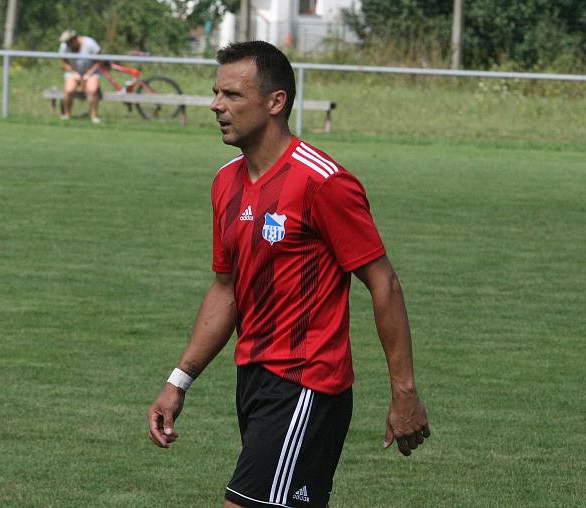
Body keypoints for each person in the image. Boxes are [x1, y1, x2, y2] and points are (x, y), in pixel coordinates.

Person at [146, 41, 430, 508]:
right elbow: (227, 288)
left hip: (307, 384)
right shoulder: (225, 184)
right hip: (254, 380)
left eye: (233, 95)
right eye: (215, 93)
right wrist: (179, 381)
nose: (216, 105)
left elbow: (384, 282)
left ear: (276, 102)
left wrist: (404, 392)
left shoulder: (323, 182)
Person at [58, 29, 103, 124]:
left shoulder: (90, 43)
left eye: (69, 42)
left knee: (92, 90)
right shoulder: (64, 46)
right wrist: (73, 72)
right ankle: (67, 115)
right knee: (69, 90)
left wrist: (89, 73)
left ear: (75, 38)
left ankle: (94, 117)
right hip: (73, 72)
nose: (68, 45)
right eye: (66, 43)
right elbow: (63, 62)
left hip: (92, 71)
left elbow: (100, 60)